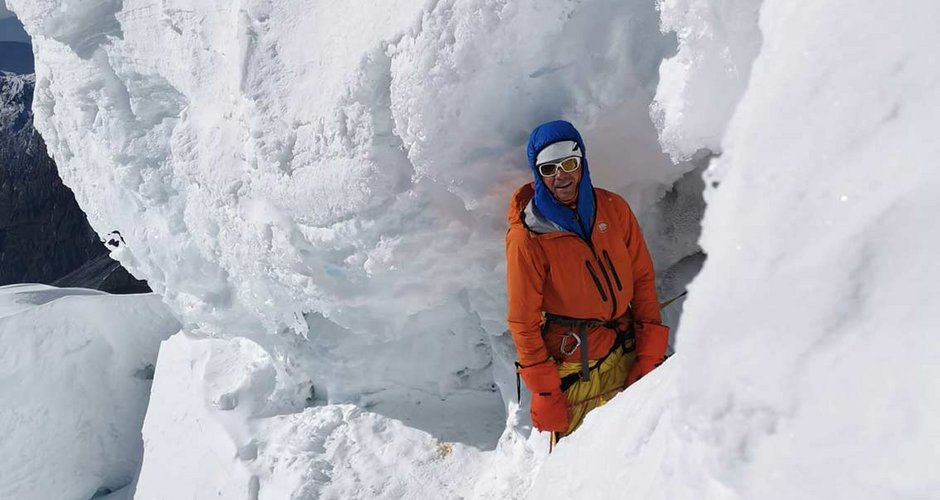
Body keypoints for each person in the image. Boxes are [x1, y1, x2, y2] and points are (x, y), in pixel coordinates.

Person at [506, 120, 668, 441]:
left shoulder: (613, 208)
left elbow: (642, 278)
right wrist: (545, 392)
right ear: (538, 175)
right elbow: (522, 321)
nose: (561, 176)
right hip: (577, 366)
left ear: (582, 163)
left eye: (569, 163)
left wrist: (649, 352)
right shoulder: (528, 238)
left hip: (627, 347)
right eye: (549, 169)